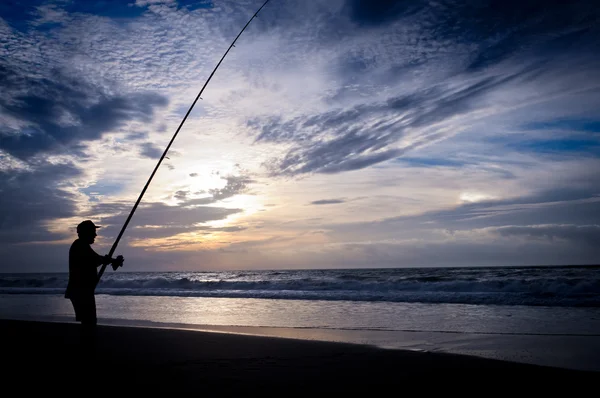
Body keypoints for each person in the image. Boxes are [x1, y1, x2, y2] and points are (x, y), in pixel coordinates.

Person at [64, 220, 124, 353]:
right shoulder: (79, 246)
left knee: (88, 321)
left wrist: (111, 260)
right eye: (93, 232)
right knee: (89, 322)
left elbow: (97, 259)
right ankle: (87, 350)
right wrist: (111, 260)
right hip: (80, 291)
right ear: (86, 233)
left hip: (83, 290)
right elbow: (95, 260)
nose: (95, 235)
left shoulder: (82, 246)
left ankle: (87, 348)